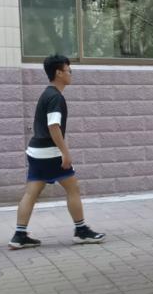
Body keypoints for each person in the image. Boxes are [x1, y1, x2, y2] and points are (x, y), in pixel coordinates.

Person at [9, 54, 105, 249]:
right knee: (73, 188)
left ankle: (19, 235)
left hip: (35, 151)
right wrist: (65, 152)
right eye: (69, 70)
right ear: (59, 73)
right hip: (50, 152)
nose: (71, 74)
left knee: (31, 193)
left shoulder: (47, 94)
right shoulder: (55, 97)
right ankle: (81, 231)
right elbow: (53, 126)